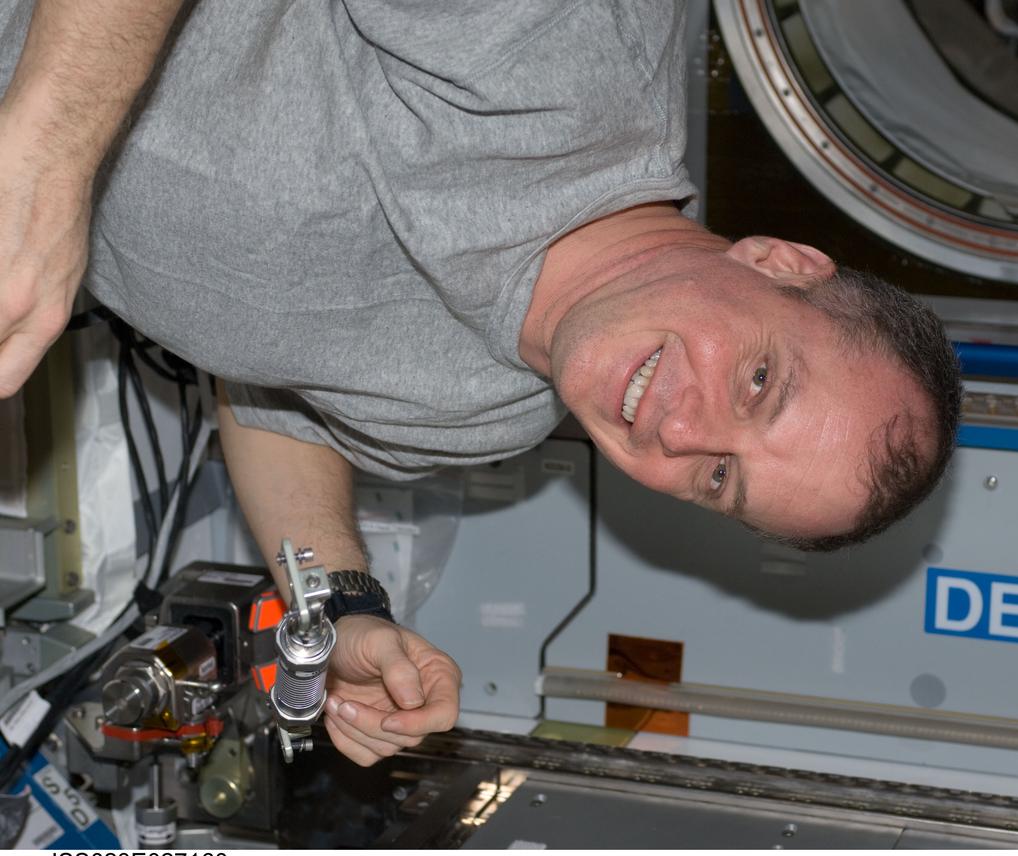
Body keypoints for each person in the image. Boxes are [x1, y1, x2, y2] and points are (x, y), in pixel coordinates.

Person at [0, 1, 962, 766]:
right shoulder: (566, 47)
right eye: (757, 383)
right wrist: (49, 157)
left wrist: (337, 606)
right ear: (779, 262)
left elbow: (271, 399)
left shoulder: (488, 418)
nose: (682, 435)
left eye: (720, 479)